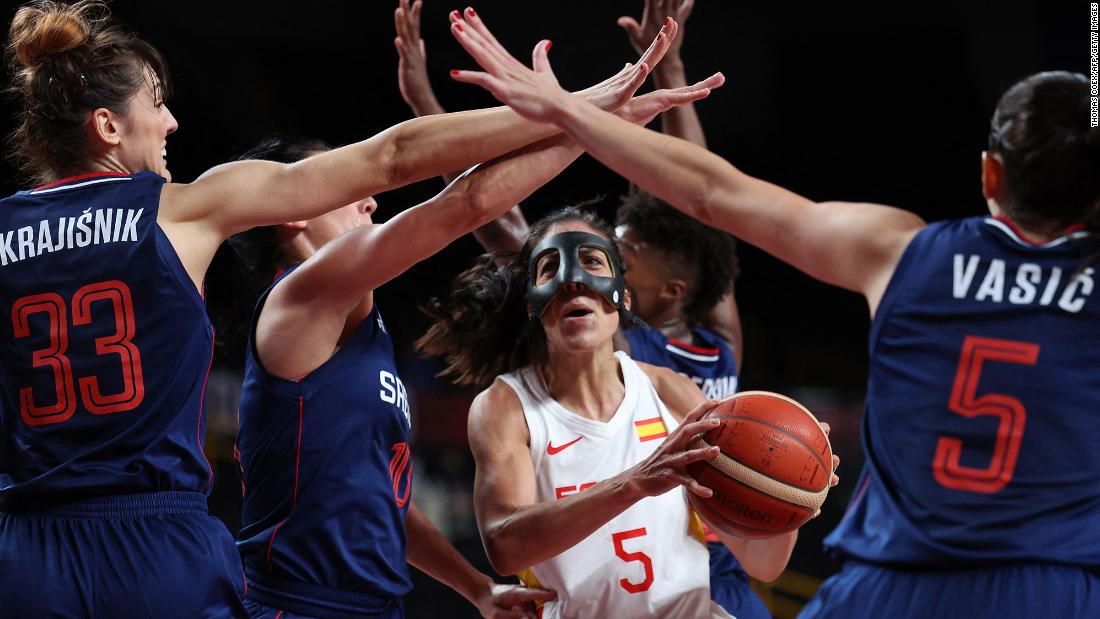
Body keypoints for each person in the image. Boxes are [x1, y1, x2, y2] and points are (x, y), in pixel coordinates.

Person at [0, 1, 680, 616]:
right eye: (156, 103)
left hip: (29, 548)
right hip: (165, 549)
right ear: (108, 125)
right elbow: (397, 162)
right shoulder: (191, 214)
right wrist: (578, 111)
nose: (172, 120)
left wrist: (472, 586)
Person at [446, 9, 1100, 618]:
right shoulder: (517, 399)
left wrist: (564, 110)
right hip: (1056, 582)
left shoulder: (900, 251)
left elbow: (710, 193)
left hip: (892, 581)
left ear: (990, 176)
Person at [226, 44, 717, 619]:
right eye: (342, 186)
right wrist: (586, 121)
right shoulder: (301, 296)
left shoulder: (359, 329)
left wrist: (475, 588)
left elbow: (383, 500)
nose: (369, 198)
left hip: (375, 603)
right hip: (298, 604)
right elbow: (468, 204)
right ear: (295, 211)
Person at [394, 4, 760, 615]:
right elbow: (697, 201)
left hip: (709, 568)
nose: (608, 251)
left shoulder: (668, 354)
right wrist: (671, 78)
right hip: (630, 566)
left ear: (669, 286)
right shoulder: (663, 343)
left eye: (627, 249)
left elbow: (700, 206)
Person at [416, 208, 838, 618]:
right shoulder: (504, 406)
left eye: (592, 263)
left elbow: (762, 563)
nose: (572, 282)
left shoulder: (672, 392)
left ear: (624, 296)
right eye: (549, 270)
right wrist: (633, 483)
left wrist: (789, 499)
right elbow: (505, 546)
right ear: (532, 304)